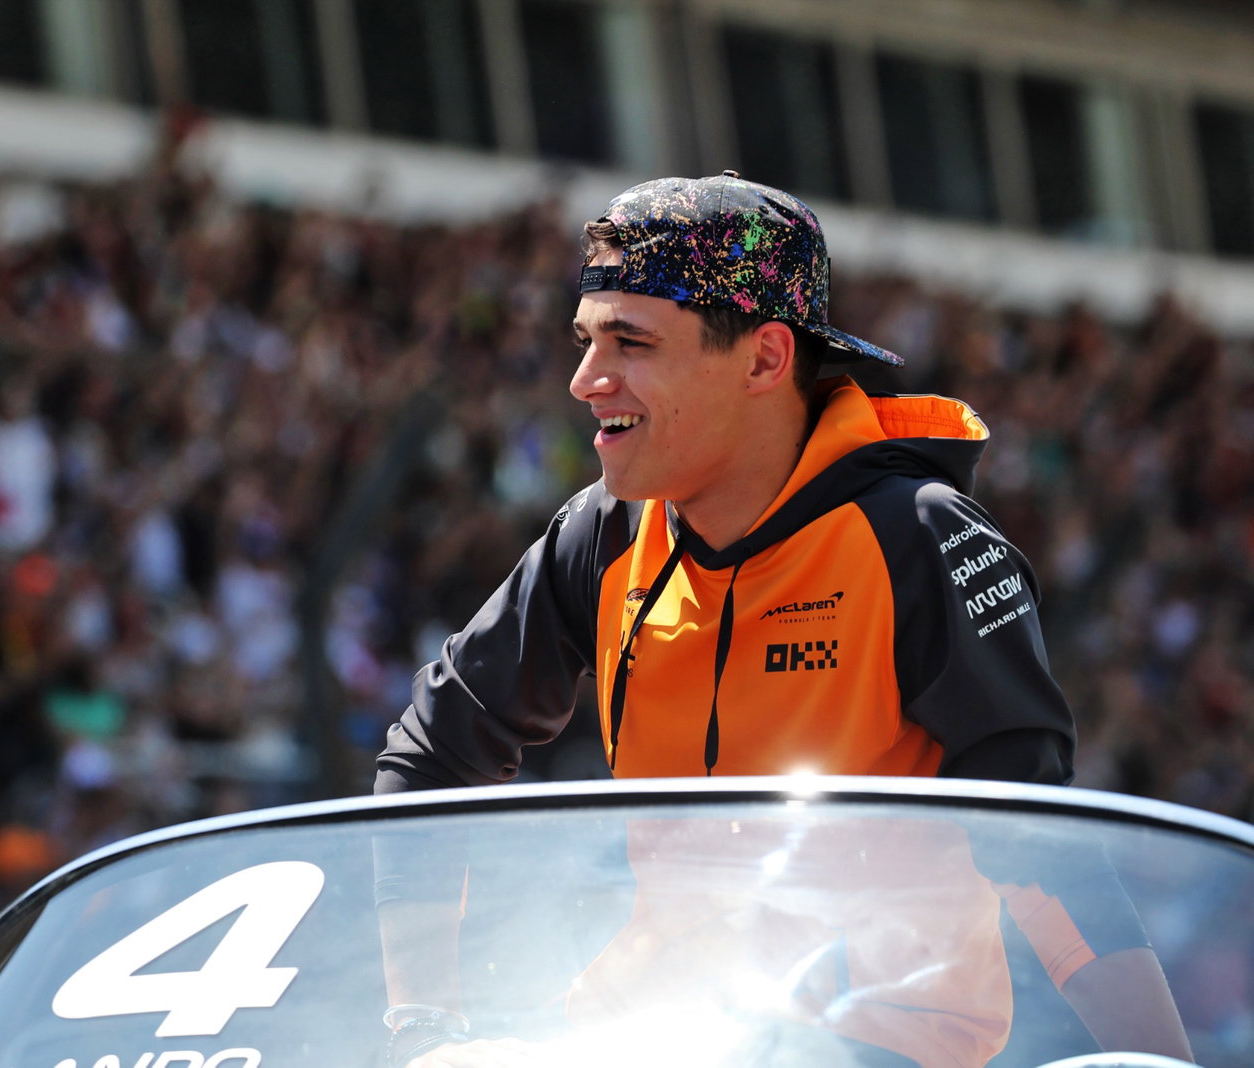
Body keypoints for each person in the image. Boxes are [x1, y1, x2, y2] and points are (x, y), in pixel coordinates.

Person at [374, 173, 1192, 1066]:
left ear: (765, 359)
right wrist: (423, 1032)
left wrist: (1166, 1063)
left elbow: (1045, 847)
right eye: (585, 339)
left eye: (630, 341)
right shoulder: (604, 533)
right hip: (644, 1041)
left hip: (867, 1048)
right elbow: (430, 758)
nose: (584, 379)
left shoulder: (915, 537)